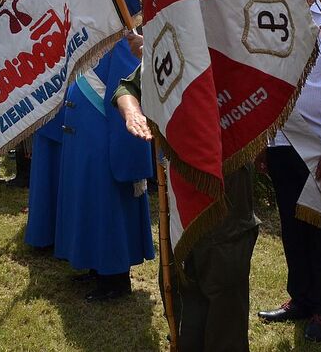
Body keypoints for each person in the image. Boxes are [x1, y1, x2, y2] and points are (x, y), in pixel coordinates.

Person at [115, 68, 259, 352]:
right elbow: (127, 88)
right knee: (179, 284)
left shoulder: (229, 43)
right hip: (179, 191)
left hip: (224, 189)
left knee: (223, 291)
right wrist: (132, 113)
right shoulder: (175, 38)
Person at [257, 0, 321, 343]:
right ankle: (300, 298)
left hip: (320, 147)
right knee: (291, 226)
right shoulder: (274, 20)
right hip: (281, 142)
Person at [53, 37, 155, 301]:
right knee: (89, 205)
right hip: (85, 142)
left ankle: (115, 278)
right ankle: (98, 266)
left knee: (106, 207)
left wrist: (128, 152)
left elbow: (127, 95)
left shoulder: (121, 42)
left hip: (104, 143)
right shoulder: (93, 40)